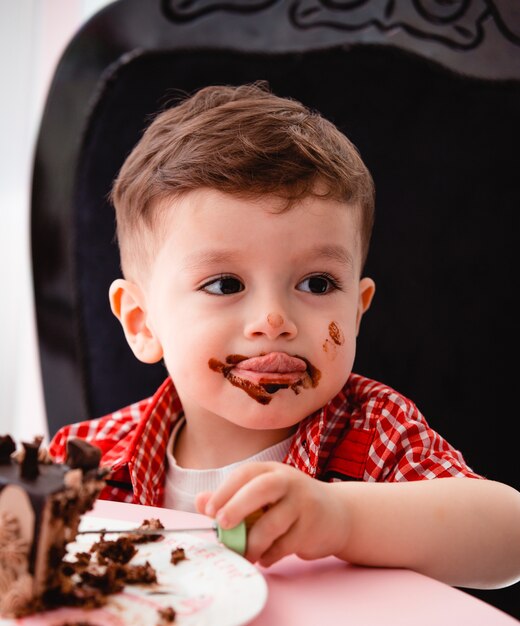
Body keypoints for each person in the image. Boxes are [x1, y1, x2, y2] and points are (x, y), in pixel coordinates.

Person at [49, 83, 520, 589]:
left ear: (357, 312)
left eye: (317, 284)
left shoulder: (375, 434)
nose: (274, 319)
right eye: (225, 284)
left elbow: (508, 538)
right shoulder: (87, 461)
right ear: (143, 322)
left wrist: (342, 519)